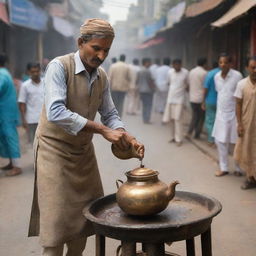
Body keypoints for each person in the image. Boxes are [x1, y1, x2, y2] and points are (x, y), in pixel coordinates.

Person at [28, 19, 144, 256]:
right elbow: (56, 112)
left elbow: (110, 113)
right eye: (96, 48)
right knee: (56, 227)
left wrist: (124, 135)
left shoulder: (101, 75)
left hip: (82, 153)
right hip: (54, 151)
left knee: (83, 225)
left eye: (106, 50)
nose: (101, 55)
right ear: (81, 42)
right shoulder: (59, 67)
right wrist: (103, 130)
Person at [212, 53, 243, 177]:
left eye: (225, 62)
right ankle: (223, 168)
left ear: (230, 64)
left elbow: (240, 96)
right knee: (220, 142)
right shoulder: (216, 77)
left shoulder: (237, 76)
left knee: (236, 142)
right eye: (220, 62)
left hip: (235, 114)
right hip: (221, 114)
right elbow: (219, 93)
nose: (223, 64)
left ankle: (238, 168)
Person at [234, 57, 256, 189]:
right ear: (247, 68)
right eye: (252, 67)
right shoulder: (241, 84)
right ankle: (250, 178)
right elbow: (238, 104)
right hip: (247, 125)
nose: (255, 70)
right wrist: (239, 124)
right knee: (247, 150)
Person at [0, 53, 22, 176]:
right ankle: (11, 163)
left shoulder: (1, 74)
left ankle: (17, 166)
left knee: (10, 137)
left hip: (6, 113)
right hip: (6, 112)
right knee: (5, 138)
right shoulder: (5, 73)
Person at [163, 59, 189, 146]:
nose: (177, 66)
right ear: (173, 65)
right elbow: (168, 83)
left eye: (178, 64)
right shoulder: (170, 72)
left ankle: (179, 139)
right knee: (171, 119)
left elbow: (187, 85)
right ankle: (173, 137)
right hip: (170, 98)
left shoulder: (185, 72)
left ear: (181, 64)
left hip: (180, 100)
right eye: (175, 64)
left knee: (178, 119)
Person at [18, 62, 44, 143]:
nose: (35, 73)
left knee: (46, 143)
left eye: (37, 71)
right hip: (31, 120)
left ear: (40, 71)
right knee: (34, 144)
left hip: (45, 119)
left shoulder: (47, 82)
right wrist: (23, 120)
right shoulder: (25, 86)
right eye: (33, 72)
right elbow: (22, 103)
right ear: (28, 72)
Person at [187, 58, 207, 139]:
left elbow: (188, 84)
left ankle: (189, 132)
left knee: (195, 116)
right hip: (200, 99)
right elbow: (205, 87)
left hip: (192, 98)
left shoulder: (191, 71)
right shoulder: (205, 73)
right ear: (204, 64)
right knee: (201, 117)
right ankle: (196, 134)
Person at [202, 62, 220, 145]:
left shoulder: (210, 74)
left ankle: (211, 139)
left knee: (210, 121)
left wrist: (203, 101)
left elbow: (205, 89)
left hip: (210, 101)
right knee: (219, 121)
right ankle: (219, 139)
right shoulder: (224, 73)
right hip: (221, 102)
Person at [136, 58, 155, 124]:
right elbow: (150, 82)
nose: (150, 63)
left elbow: (137, 81)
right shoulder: (148, 71)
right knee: (148, 105)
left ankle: (144, 119)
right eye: (149, 62)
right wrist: (153, 89)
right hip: (148, 91)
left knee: (144, 105)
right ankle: (147, 119)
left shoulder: (139, 71)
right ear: (145, 63)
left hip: (141, 91)